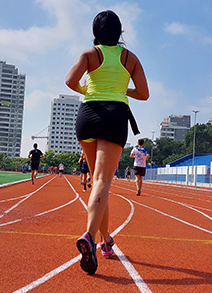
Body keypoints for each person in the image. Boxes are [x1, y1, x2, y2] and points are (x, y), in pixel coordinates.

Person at [65, 9, 149, 275]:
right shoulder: (129, 58)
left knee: (97, 182)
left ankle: (106, 241)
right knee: (102, 181)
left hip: (87, 114)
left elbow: (70, 81)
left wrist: (88, 89)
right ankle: (89, 236)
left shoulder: (90, 55)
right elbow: (144, 94)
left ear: (95, 31)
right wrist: (122, 89)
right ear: (119, 32)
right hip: (114, 115)